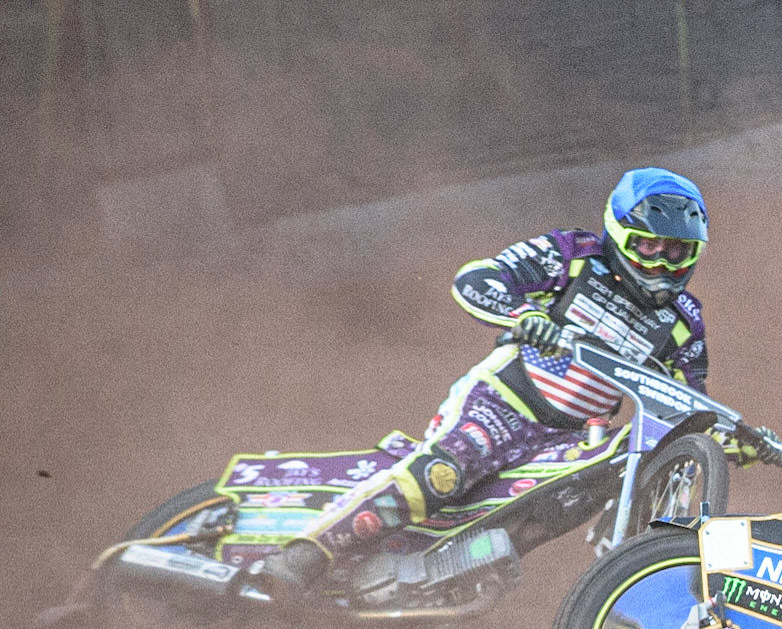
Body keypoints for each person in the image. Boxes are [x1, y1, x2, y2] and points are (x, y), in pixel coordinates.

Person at [258, 166, 749, 597]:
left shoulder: (685, 320)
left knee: (568, 500)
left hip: (573, 436)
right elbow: (478, 278)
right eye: (649, 246)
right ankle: (305, 556)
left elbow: (689, 400)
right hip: (502, 402)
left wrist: (734, 438)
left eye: (676, 251)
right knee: (443, 475)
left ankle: (444, 584)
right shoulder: (574, 255)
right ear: (620, 232)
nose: (662, 262)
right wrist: (523, 315)